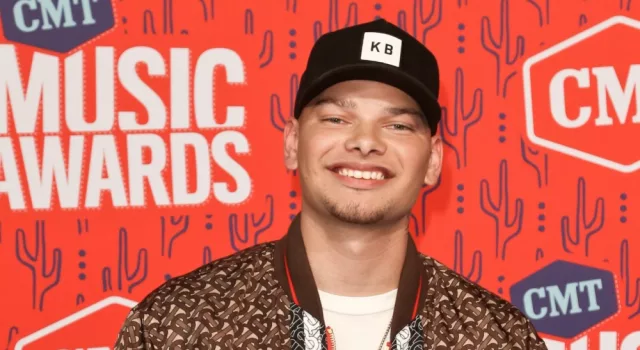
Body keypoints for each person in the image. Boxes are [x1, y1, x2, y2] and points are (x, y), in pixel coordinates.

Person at [114, 18, 548, 350]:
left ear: (433, 161)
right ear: (292, 142)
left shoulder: (499, 335)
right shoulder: (179, 324)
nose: (364, 143)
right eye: (337, 118)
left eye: (397, 125)